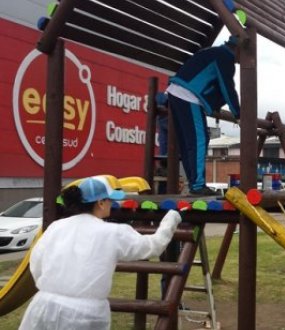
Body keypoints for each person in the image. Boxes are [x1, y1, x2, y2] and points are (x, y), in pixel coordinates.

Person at [19, 176, 182, 330]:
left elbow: (36, 263)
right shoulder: (112, 232)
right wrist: (171, 219)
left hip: (44, 305)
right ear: (101, 203)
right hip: (85, 313)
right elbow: (153, 246)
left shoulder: (56, 227)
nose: (112, 203)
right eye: (110, 200)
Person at [166, 36, 241, 196]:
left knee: (189, 142)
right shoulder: (225, 57)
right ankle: (198, 185)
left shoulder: (212, 52)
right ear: (238, 49)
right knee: (199, 139)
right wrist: (238, 113)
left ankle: (194, 183)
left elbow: (216, 88)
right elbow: (227, 87)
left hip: (176, 91)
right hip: (189, 95)